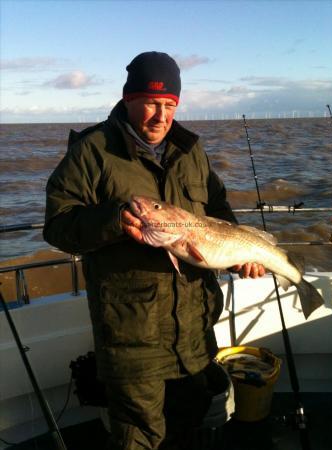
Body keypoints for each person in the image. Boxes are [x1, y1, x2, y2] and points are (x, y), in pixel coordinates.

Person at [43, 51, 265, 450]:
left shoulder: (190, 152)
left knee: (192, 429)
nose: (161, 115)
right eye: (150, 102)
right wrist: (113, 220)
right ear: (128, 99)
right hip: (132, 338)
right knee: (139, 440)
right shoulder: (92, 151)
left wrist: (240, 252)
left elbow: (219, 211)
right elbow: (58, 226)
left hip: (195, 333)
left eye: (169, 105)